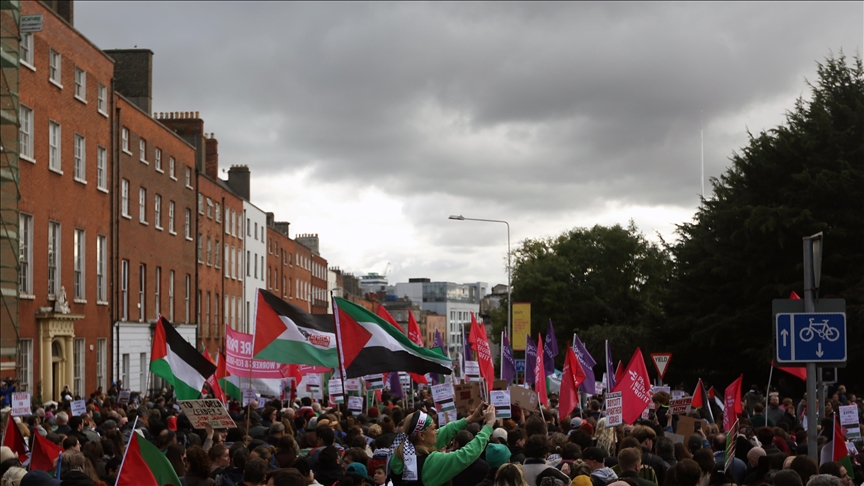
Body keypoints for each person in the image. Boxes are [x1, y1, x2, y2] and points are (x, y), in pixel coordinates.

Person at [388, 402, 496, 486]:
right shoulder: (429, 462)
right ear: (421, 435)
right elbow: (465, 454)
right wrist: (488, 426)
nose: (436, 432)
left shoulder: (400, 452)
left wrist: (470, 419)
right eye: (434, 428)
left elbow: (443, 432)